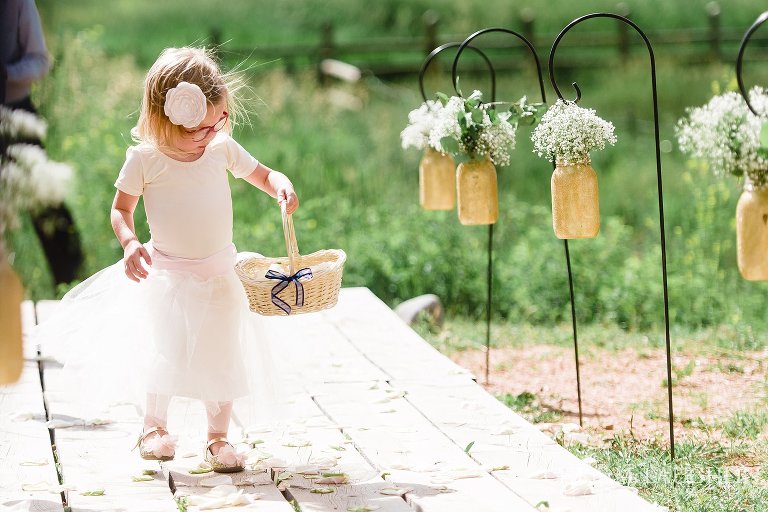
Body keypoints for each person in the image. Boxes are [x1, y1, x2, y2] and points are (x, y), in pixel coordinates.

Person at [34, 47, 298, 473]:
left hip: (220, 274)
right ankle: (153, 427)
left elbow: (265, 175)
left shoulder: (221, 149)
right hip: (169, 276)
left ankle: (217, 437)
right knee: (165, 352)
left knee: (221, 355)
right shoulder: (146, 159)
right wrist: (129, 243)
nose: (212, 133)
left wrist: (281, 185)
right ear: (164, 119)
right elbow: (121, 210)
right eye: (201, 127)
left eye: (219, 121)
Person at [1, 0, 84, 284]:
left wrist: (7, 74)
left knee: (46, 203)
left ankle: (72, 284)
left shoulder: (17, 4)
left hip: (14, 115)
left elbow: (39, 61)